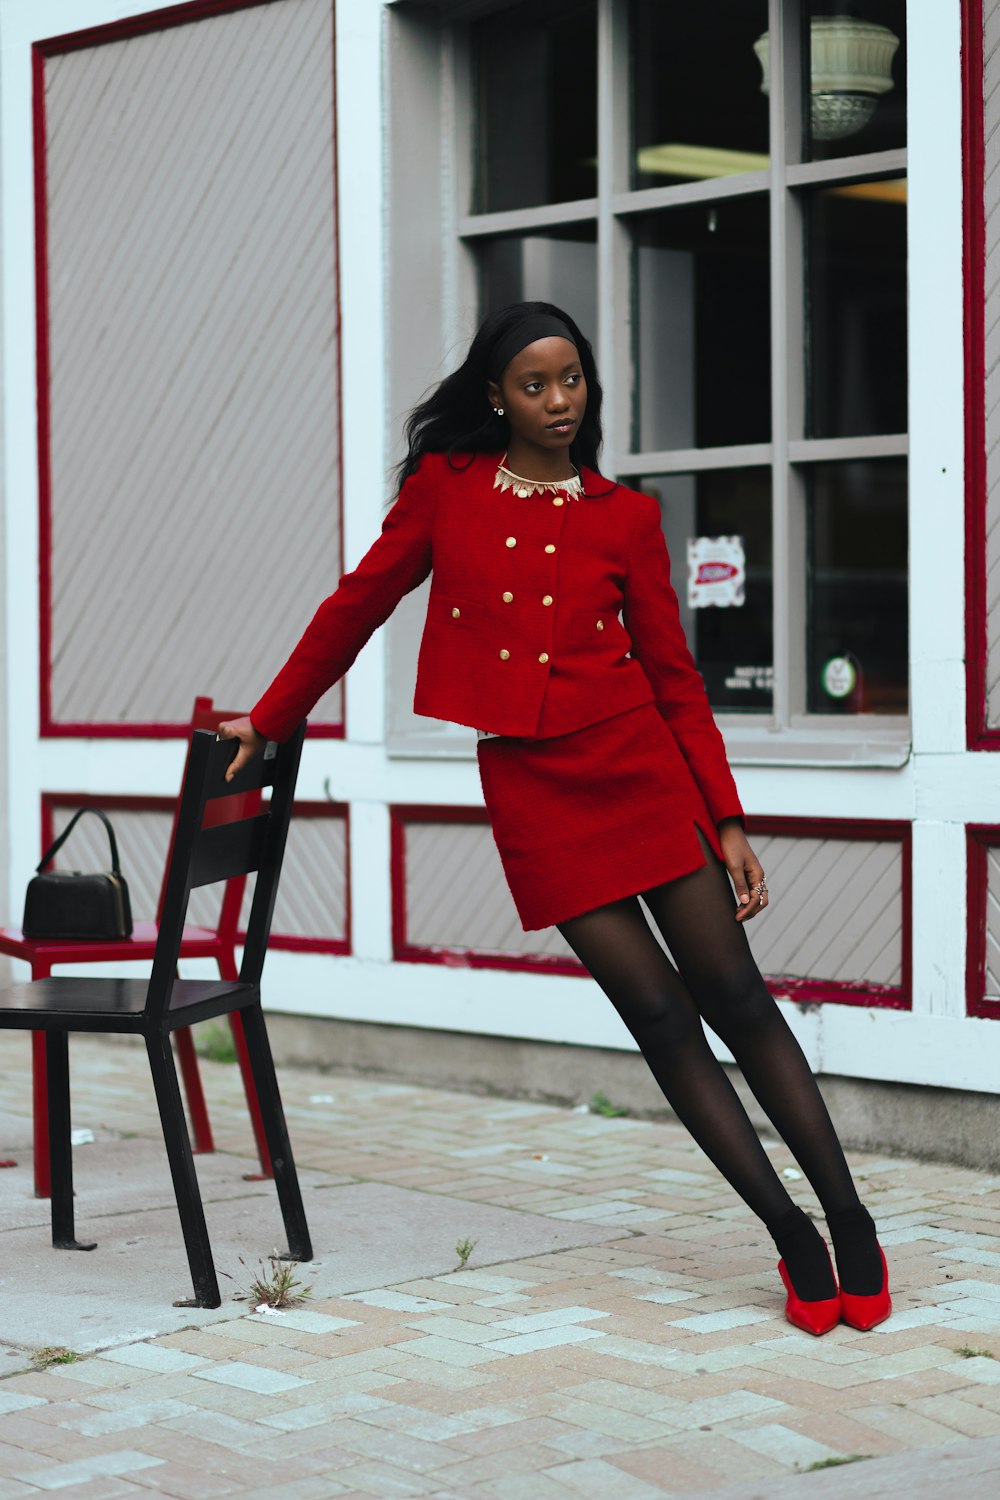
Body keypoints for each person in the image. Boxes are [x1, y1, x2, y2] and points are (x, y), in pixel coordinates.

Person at [218, 301, 891, 1336]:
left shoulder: (625, 516)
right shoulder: (443, 492)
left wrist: (727, 818)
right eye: (534, 384)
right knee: (659, 1019)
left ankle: (850, 1222)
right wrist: (269, 720)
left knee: (735, 997)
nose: (558, 401)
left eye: (570, 379)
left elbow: (674, 677)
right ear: (496, 394)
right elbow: (354, 606)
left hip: (641, 772)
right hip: (535, 792)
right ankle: (790, 1233)